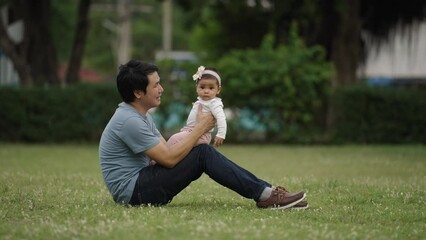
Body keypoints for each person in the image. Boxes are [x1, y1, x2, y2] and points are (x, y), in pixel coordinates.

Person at [99, 60, 308, 209]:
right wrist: (200, 128)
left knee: (201, 152)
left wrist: (195, 135)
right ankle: (266, 194)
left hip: (140, 185)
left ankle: (266, 193)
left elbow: (167, 151)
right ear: (137, 92)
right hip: (134, 192)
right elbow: (170, 159)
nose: (162, 88)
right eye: (156, 85)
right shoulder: (129, 120)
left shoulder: (140, 115)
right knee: (203, 154)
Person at [167, 66, 226, 148]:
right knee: (177, 144)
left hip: (202, 134)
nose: (206, 91)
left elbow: (221, 118)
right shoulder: (202, 101)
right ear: (196, 88)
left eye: (211, 88)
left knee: (174, 139)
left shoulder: (214, 103)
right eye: (202, 87)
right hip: (191, 131)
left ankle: (158, 159)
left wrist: (221, 134)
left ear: (218, 89)